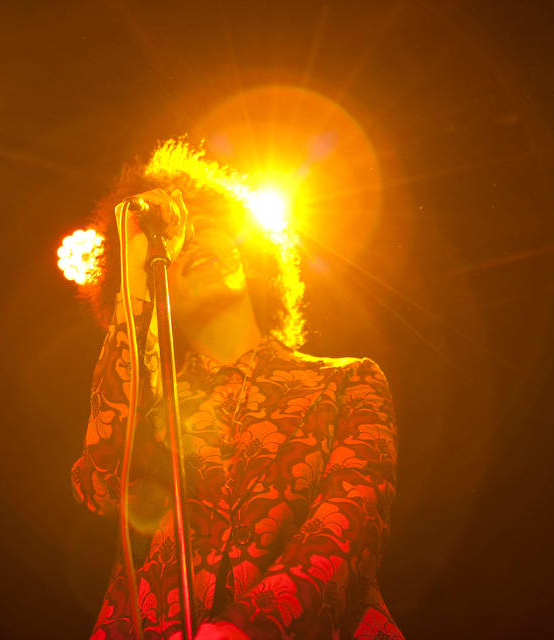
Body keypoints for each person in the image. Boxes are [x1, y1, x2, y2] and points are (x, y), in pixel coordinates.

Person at [71, 139, 404, 640]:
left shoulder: (347, 381)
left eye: (207, 226)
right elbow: (101, 482)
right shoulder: (150, 407)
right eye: (177, 244)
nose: (194, 244)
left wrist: (248, 627)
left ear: (249, 252)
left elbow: (348, 528)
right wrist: (135, 278)